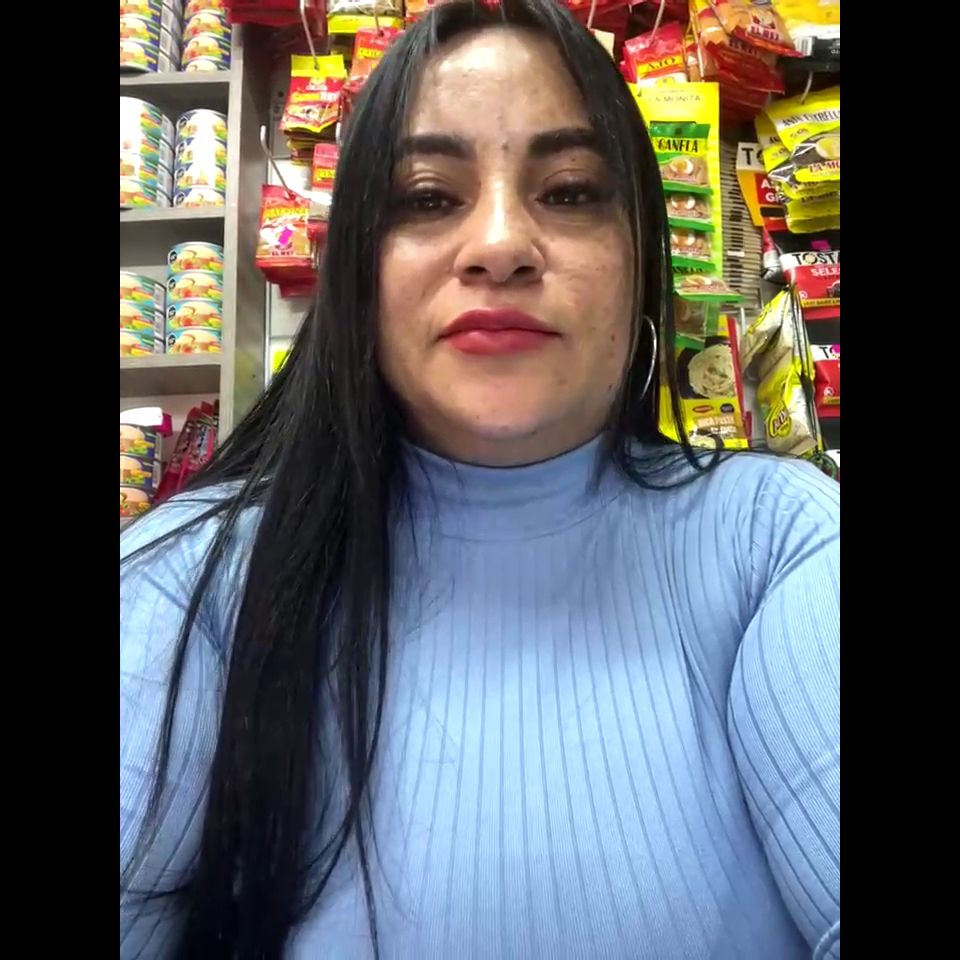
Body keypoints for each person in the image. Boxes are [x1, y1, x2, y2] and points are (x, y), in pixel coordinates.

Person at [120, 1, 840, 957]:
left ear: (642, 258)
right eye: (426, 198)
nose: (500, 243)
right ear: (356, 273)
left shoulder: (782, 542)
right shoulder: (192, 583)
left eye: (571, 191)